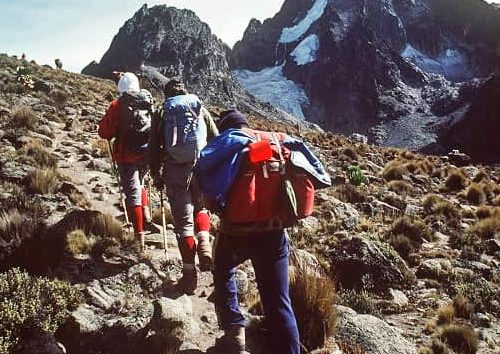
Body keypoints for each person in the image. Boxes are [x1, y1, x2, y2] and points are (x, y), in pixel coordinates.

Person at [196, 110, 331, 354]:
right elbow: (318, 174)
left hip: (237, 231)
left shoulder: (231, 139)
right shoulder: (277, 140)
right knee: (279, 299)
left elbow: (203, 172)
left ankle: (235, 332)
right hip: (274, 232)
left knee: (223, 269)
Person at [149, 78, 219, 294]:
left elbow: (153, 147)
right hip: (200, 168)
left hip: (175, 171)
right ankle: (205, 245)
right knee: (201, 208)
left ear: (167, 94)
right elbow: (216, 138)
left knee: (183, 225)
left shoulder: (163, 112)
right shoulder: (199, 107)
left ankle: (189, 278)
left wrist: (156, 174)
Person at [98, 72, 154, 251]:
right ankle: (146, 215)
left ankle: (139, 238)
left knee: (133, 194)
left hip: (126, 155)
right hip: (146, 153)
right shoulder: (147, 100)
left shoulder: (117, 105)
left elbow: (104, 132)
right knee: (141, 184)